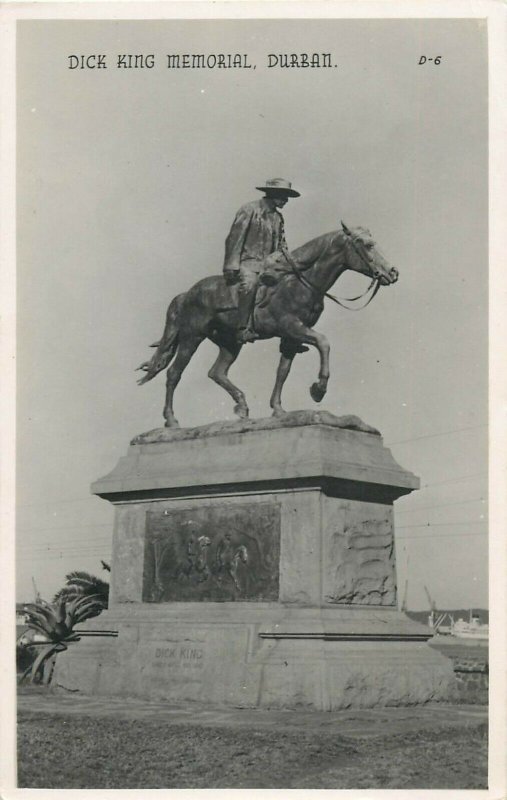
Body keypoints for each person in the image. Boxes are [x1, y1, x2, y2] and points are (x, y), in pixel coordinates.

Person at [223, 178, 300, 343]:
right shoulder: (249, 210)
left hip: (269, 266)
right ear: (273, 194)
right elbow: (234, 239)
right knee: (249, 285)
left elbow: (282, 245)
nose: (286, 201)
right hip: (247, 263)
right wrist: (231, 266)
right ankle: (242, 328)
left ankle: (291, 335)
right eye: (283, 196)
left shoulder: (278, 218)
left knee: (291, 288)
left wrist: (290, 263)